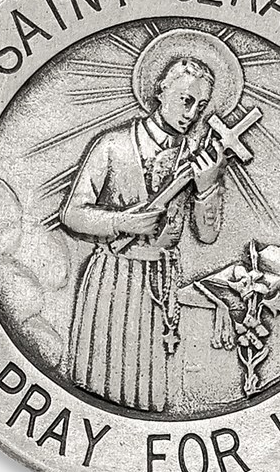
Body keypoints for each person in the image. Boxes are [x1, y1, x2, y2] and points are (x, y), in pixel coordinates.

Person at [61, 57, 227, 412]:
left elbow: (208, 234)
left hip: (161, 282)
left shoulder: (200, 159)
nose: (192, 114)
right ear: (161, 90)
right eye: (186, 100)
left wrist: (207, 188)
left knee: (152, 386)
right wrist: (121, 222)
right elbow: (72, 213)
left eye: (200, 106)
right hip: (113, 278)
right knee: (102, 380)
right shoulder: (112, 145)